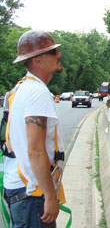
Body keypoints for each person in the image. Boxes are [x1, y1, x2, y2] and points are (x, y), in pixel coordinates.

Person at [3, 29, 65, 227]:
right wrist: (50, 195)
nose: (59, 55)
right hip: (32, 194)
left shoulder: (21, 89)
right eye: (53, 52)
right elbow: (35, 150)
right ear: (37, 61)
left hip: (21, 191)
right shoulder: (36, 92)